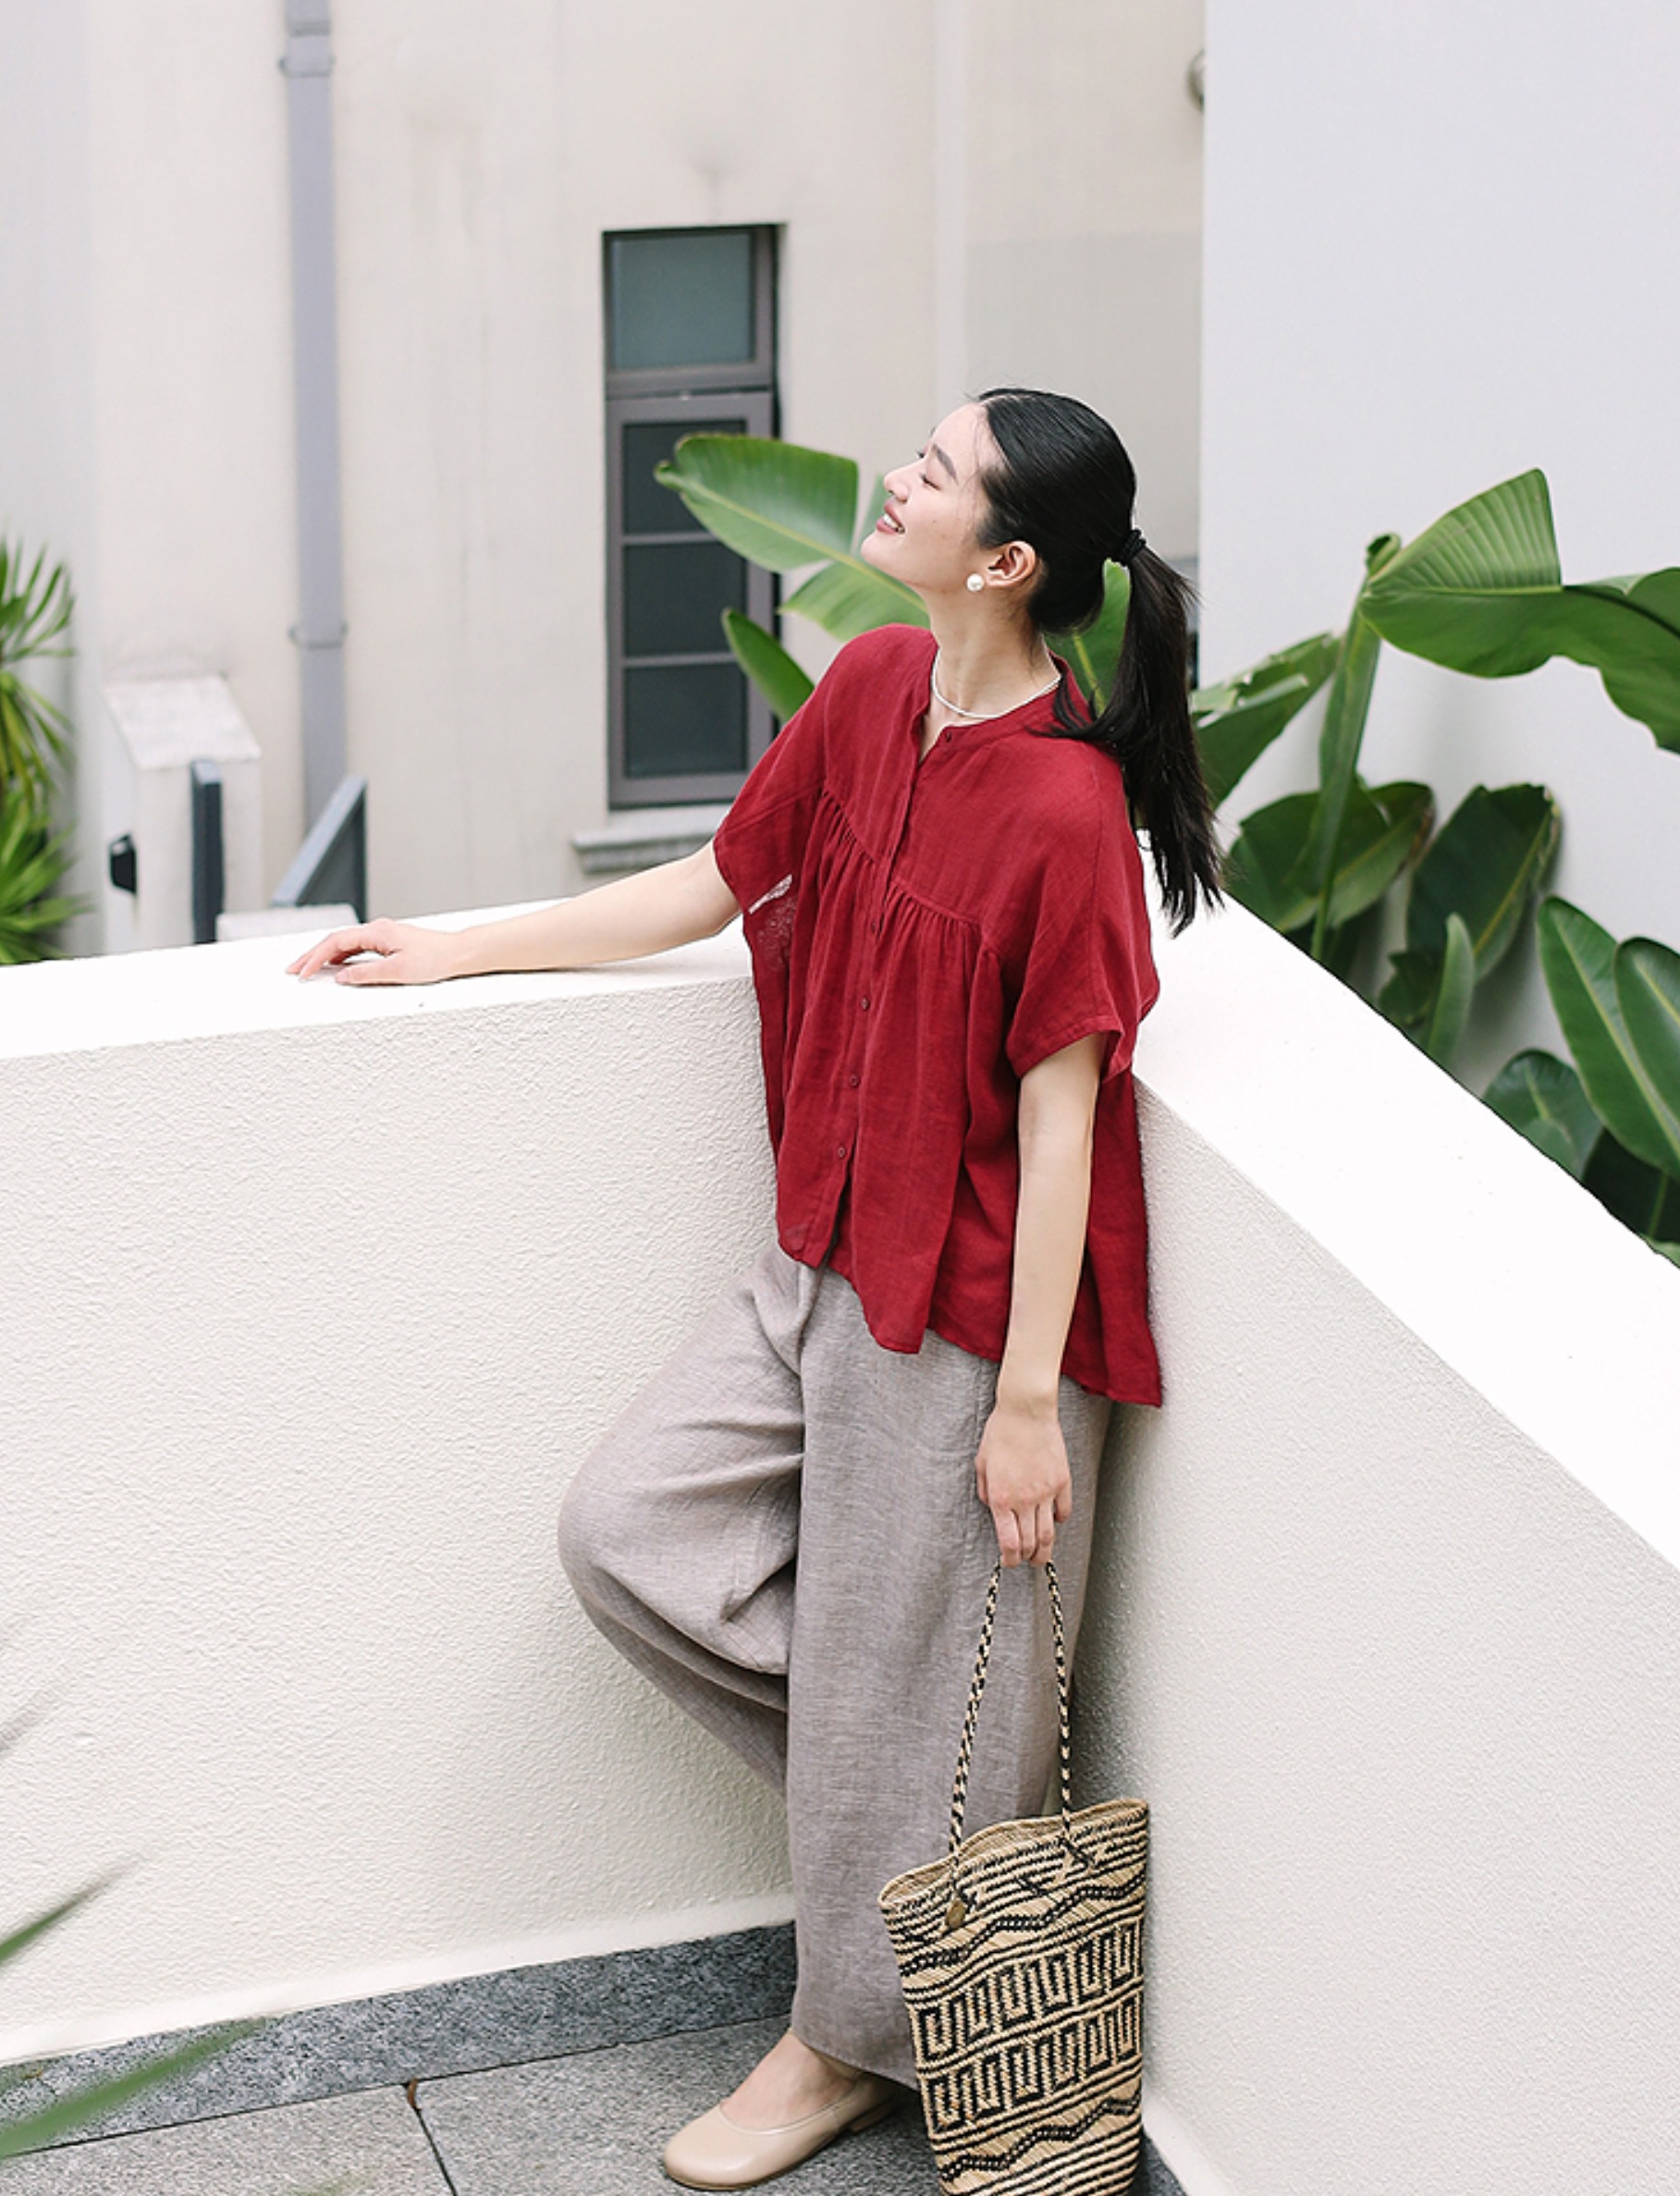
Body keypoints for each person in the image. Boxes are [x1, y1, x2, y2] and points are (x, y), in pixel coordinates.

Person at [291, 387, 1220, 2189]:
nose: (899, 478)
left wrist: (1031, 1406)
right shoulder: (870, 691)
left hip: (964, 1329)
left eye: (935, 474)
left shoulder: (1064, 810)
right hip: (823, 1259)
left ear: (1006, 562)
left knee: (897, 1699)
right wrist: (459, 947)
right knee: (625, 1530)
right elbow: (715, 883)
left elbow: (1064, 1129)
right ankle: (910, 1814)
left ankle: (834, 2052)